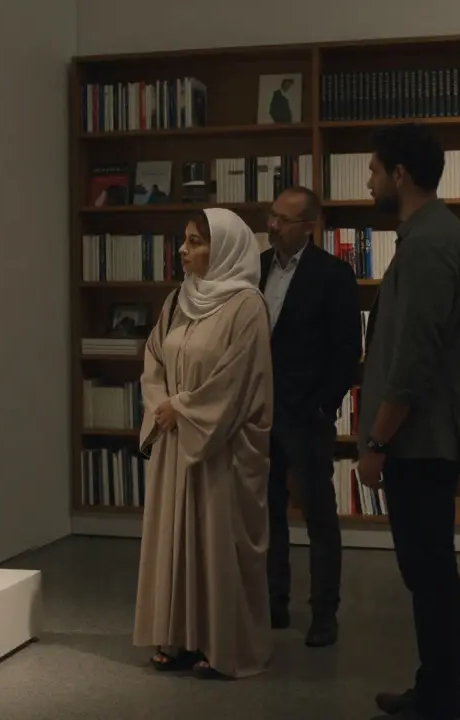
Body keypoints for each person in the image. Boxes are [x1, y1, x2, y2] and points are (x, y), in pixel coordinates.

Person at [356, 123, 460, 720]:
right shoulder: (432, 235)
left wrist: (378, 439)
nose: (370, 180)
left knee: (429, 571)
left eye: (376, 170)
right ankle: (435, 690)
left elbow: (414, 358)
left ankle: (440, 698)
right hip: (425, 439)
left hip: (421, 441)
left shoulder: (431, 243)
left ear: (400, 174)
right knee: (429, 569)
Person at [133, 207, 275, 680]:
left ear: (226, 249)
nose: (183, 250)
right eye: (184, 241)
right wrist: (161, 405)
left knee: (218, 544)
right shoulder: (178, 300)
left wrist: (185, 409)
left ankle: (223, 644)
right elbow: (154, 356)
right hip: (178, 442)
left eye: (195, 241)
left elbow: (236, 380)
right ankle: (177, 638)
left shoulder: (246, 305)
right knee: (175, 539)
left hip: (221, 449)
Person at [260, 186, 362, 647]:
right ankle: (273, 602)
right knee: (266, 512)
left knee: (318, 517)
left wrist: (324, 404)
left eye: (283, 219)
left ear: (308, 227)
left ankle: (324, 613)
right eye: (272, 215)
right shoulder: (255, 269)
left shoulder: (334, 276)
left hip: (307, 415)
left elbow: (348, 353)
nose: (272, 225)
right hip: (259, 412)